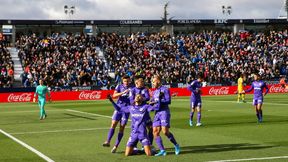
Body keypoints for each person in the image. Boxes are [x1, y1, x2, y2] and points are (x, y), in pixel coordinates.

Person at [150, 75, 180, 156]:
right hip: (157, 113)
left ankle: (176, 145)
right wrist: (150, 103)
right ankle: (162, 150)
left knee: (165, 132)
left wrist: (160, 100)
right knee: (155, 132)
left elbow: (168, 101)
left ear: (158, 81)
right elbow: (153, 101)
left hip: (164, 112)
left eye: (154, 81)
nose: (152, 83)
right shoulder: (155, 91)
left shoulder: (165, 89)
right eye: (152, 81)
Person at [103, 75, 132, 153]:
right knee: (113, 124)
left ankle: (116, 146)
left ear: (130, 80)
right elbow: (114, 95)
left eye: (128, 81)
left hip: (126, 110)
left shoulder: (132, 87)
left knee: (121, 128)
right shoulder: (119, 86)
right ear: (122, 81)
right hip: (118, 108)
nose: (126, 82)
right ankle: (108, 141)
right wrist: (122, 92)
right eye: (125, 81)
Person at [129, 76, 153, 145]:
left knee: (150, 128)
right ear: (136, 82)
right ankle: (134, 145)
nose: (143, 82)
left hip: (145, 111)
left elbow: (148, 98)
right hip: (136, 112)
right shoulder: (132, 90)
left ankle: (149, 144)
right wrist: (141, 99)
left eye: (143, 81)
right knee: (135, 129)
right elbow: (131, 101)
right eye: (141, 81)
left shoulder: (145, 89)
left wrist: (139, 99)